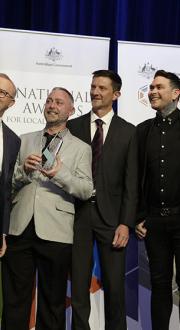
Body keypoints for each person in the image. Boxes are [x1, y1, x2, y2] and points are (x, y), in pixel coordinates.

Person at [1, 87, 93, 330]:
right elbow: (8, 183)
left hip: (56, 231)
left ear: (71, 110)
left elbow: (86, 190)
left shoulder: (81, 148)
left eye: (59, 102)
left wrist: (59, 174)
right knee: (14, 299)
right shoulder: (24, 139)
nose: (52, 105)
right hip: (20, 227)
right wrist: (24, 171)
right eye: (49, 101)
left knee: (52, 303)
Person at [67, 70, 138, 330]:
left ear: (116, 94)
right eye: (93, 86)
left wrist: (125, 224)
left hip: (112, 221)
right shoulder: (72, 126)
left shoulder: (129, 132)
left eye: (102, 88)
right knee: (78, 289)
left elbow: (132, 183)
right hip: (77, 217)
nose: (95, 92)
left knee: (115, 290)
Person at [135, 70, 180, 330]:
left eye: (159, 87)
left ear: (175, 93)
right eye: (151, 87)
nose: (152, 91)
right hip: (154, 222)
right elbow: (136, 178)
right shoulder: (142, 131)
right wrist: (138, 216)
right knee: (159, 284)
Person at [0, 73, 21, 257]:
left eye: (2, 92)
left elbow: (6, 190)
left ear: (11, 103)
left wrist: (3, 232)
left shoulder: (13, 141)